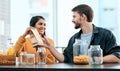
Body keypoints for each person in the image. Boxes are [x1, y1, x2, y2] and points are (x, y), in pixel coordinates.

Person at [43, 4, 120, 63]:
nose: (72, 20)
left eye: (74, 17)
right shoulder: (74, 38)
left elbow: (117, 56)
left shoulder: (105, 34)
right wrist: (50, 47)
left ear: (83, 17)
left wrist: (95, 59)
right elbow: (65, 58)